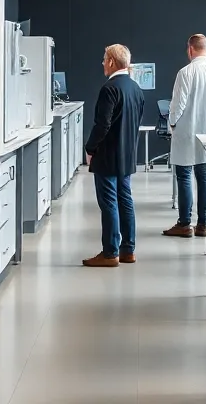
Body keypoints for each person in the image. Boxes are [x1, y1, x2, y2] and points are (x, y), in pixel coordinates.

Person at [83, 44, 145, 268]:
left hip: (108, 156)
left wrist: (90, 148)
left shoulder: (109, 89)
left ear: (111, 61)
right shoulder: (135, 88)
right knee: (125, 200)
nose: (102, 63)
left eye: (103, 59)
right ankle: (128, 249)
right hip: (127, 156)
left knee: (109, 203)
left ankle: (110, 252)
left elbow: (103, 125)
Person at [162, 34, 206, 239]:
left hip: (186, 131)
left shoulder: (185, 72)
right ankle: (204, 224)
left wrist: (172, 123)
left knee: (184, 176)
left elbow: (178, 104)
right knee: (205, 177)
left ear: (190, 49)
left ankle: (184, 223)